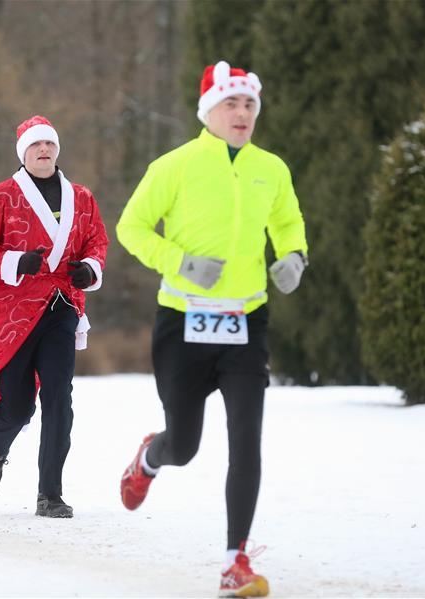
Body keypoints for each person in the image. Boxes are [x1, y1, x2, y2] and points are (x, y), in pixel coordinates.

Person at [116, 61, 308, 597]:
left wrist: (295, 256)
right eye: (232, 103)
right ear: (209, 111)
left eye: (249, 104)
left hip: (247, 322)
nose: (243, 113)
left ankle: (234, 561)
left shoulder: (271, 167)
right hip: (183, 323)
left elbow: (288, 223)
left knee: (246, 439)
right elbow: (130, 226)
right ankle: (150, 458)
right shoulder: (175, 166)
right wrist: (180, 263)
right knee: (186, 445)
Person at [0, 115, 109, 518]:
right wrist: (13, 261)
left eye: (49, 145)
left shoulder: (82, 197)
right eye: (35, 146)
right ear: (23, 153)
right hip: (13, 314)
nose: (44, 151)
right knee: (19, 406)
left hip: (61, 305)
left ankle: (50, 494)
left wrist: (90, 270)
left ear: (57, 150)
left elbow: (97, 239)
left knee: (59, 396)